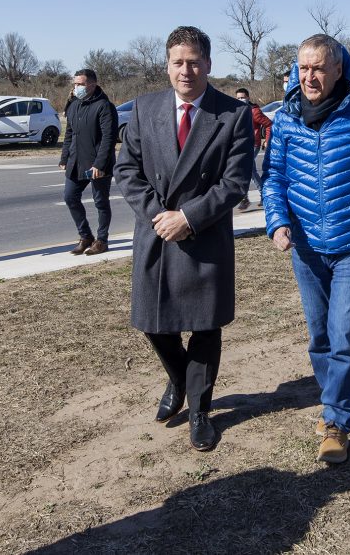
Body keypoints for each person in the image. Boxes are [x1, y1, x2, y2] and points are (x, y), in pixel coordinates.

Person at [263, 34, 350, 464]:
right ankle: (334, 400)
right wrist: (278, 221)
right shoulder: (285, 119)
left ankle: (336, 420)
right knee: (320, 336)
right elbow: (273, 178)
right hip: (305, 247)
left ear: (338, 69)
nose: (310, 77)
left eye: (319, 68)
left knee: (344, 336)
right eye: (303, 68)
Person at [114, 26, 253, 452]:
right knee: (153, 324)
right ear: (168, 65)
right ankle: (178, 379)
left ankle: (199, 411)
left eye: (194, 62)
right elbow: (128, 170)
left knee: (206, 329)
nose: (186, 70)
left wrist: (188, 218)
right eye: (178, 62)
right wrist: (161, 217)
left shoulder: (233, 114)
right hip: (157, 234)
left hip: (204, 236)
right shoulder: (145, 108)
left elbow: (234, 183)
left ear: (208, 64)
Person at [59, 68, 118, 255]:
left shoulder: (104, 106)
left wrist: (100, 165)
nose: (77, 88)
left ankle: (102, 241)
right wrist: (64, 157)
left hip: (98, 165)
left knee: (100, 202)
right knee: (70, 197)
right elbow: (70, 134)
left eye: (81, 84)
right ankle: (86, 236)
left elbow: (109, 138)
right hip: (76, 161)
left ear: (92, 84)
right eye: (75, 84)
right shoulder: (74, 104)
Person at [234, 87, 272, 211]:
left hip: (253, 144)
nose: (240, 99)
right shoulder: (237, 110)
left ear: (248, 98)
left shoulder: (254, 111)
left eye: (243, 97)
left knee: (248, 170)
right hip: (241, 145)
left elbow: (269, 124)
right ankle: (252, 198)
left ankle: (259, 197)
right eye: (238, 98)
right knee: (248, 171)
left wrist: (266, 140)